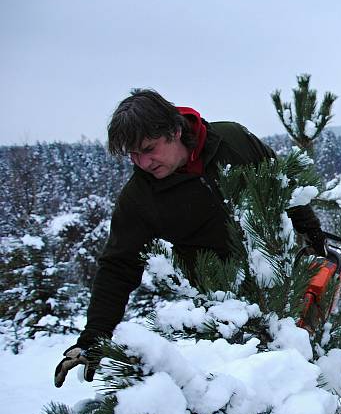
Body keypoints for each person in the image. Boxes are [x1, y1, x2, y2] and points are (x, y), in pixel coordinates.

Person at [54, 89, 326, 387]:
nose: (143, 162)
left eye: (148, 148)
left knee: (311, 384)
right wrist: (95, 335)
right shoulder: (140, 198)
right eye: (133, 155)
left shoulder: (231, 140)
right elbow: (118, 266)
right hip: (225, 315)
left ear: (175, 130)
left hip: (286, 284)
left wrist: (313, 236)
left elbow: (283, 186)